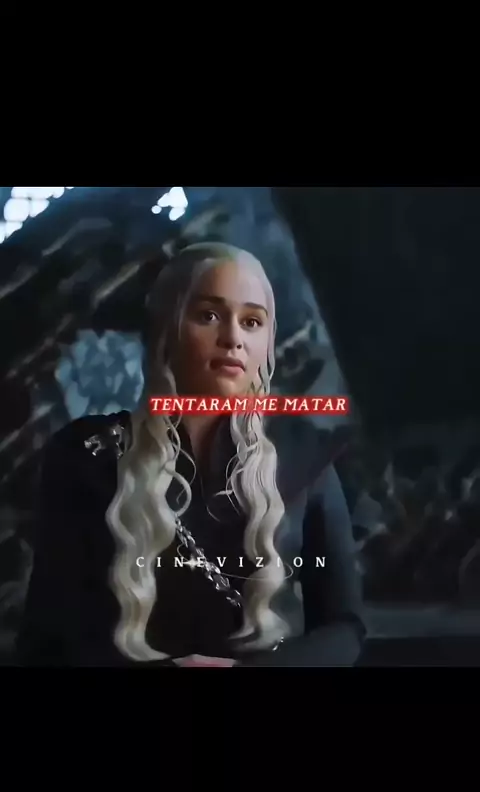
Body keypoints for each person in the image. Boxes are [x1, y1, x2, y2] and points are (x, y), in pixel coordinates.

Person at [16, 243, 365, 667]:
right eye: (209, 315)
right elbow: (46, 640)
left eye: (252, 322)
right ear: (167, 327)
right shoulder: (87, 456)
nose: (233, 338)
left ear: (267, 342)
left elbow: (344, 629)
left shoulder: (305, 456)